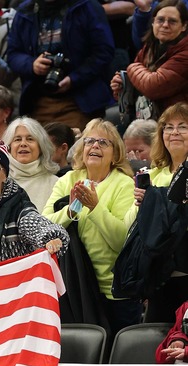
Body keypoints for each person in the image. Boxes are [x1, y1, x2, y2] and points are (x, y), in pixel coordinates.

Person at [43, 118, 137, 334]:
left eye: (103, 143)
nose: (95, 146)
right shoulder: (67, 180)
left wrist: (95, 207)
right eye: (89, 141)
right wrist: (71, 211)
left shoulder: (123, 183)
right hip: (74, 287)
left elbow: (121, 241)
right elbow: (44, 227)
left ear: (115, 154)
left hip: (114, 291)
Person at [7, 0, 115, 129]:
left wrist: (74, 79)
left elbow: (103, 52)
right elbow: (13, 54)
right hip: (37, 101)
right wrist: (32, 65)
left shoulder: (86, 6)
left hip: (80, 101)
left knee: (76, 147)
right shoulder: (25, 11)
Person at [125, 103, 188, 323]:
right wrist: (141, 206)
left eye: (183, 126)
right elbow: (130, 227)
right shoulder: (152, 175)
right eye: (168, 127)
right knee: (156, 343)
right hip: (159, 275)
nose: (174, 133)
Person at [111, 0, 188, 121]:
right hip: (150, 119)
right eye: (160, 20)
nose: (165, 25)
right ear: (153, 22)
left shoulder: (185, 53)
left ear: (184, 26)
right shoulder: (149, 47)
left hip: (178, 124)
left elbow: (152, 86)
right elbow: (137, 85)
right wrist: (122, 85)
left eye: (172, 21)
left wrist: (131, 68)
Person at [3, 117, 60, 212]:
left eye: (30, 139)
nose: (23, 144)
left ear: (41, 146)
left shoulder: (56, 184)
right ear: (8, 147)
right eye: (17, 139)